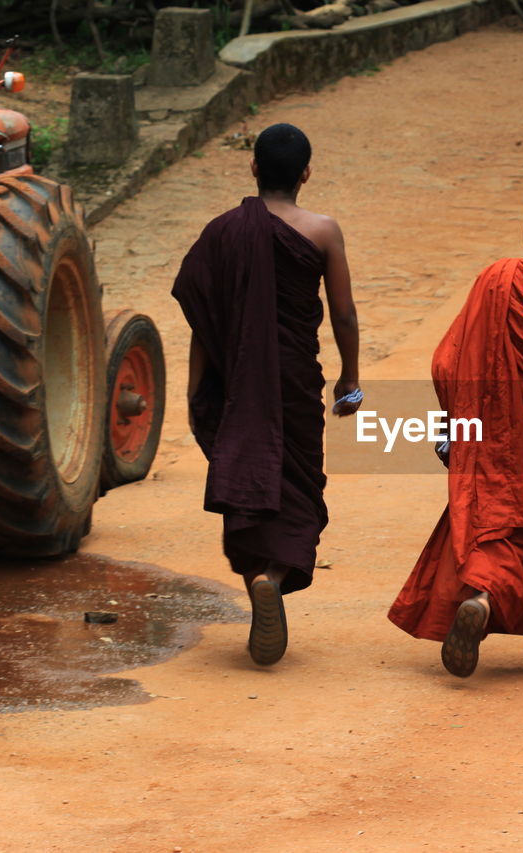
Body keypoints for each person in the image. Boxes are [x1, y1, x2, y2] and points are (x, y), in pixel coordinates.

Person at [388, 186, 523, 678]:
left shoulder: (495, 278)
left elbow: (450, 357)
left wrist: (454, 423)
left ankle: (483, 595)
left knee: (497, 517)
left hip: (493, 425)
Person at [172, 122, 362, 667]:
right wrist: (350, 378)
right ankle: (274, 578)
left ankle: (257, 573)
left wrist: (195, 391)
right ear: (306, 173)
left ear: (253, 168)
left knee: (250, 478)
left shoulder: (222, 231)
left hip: (238, 383)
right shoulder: (323, 231)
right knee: (299, 485)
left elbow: (202, 317)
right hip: (294, 379)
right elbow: (344, 314)